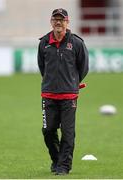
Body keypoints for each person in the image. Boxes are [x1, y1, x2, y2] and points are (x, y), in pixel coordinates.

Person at [38, 8, 89, 175]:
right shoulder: (44, 42)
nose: (58, 22)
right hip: (49, 95)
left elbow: (83, 67)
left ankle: (63, 166)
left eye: (62, 19)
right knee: (48, 130)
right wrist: (50, 83)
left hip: (69, 96)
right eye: (55, 19)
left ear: (67, 22)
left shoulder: (76, 43)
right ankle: (56, 160)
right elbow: (42, 67)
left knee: (68, 133)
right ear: (51, 21)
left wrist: (72, 83)